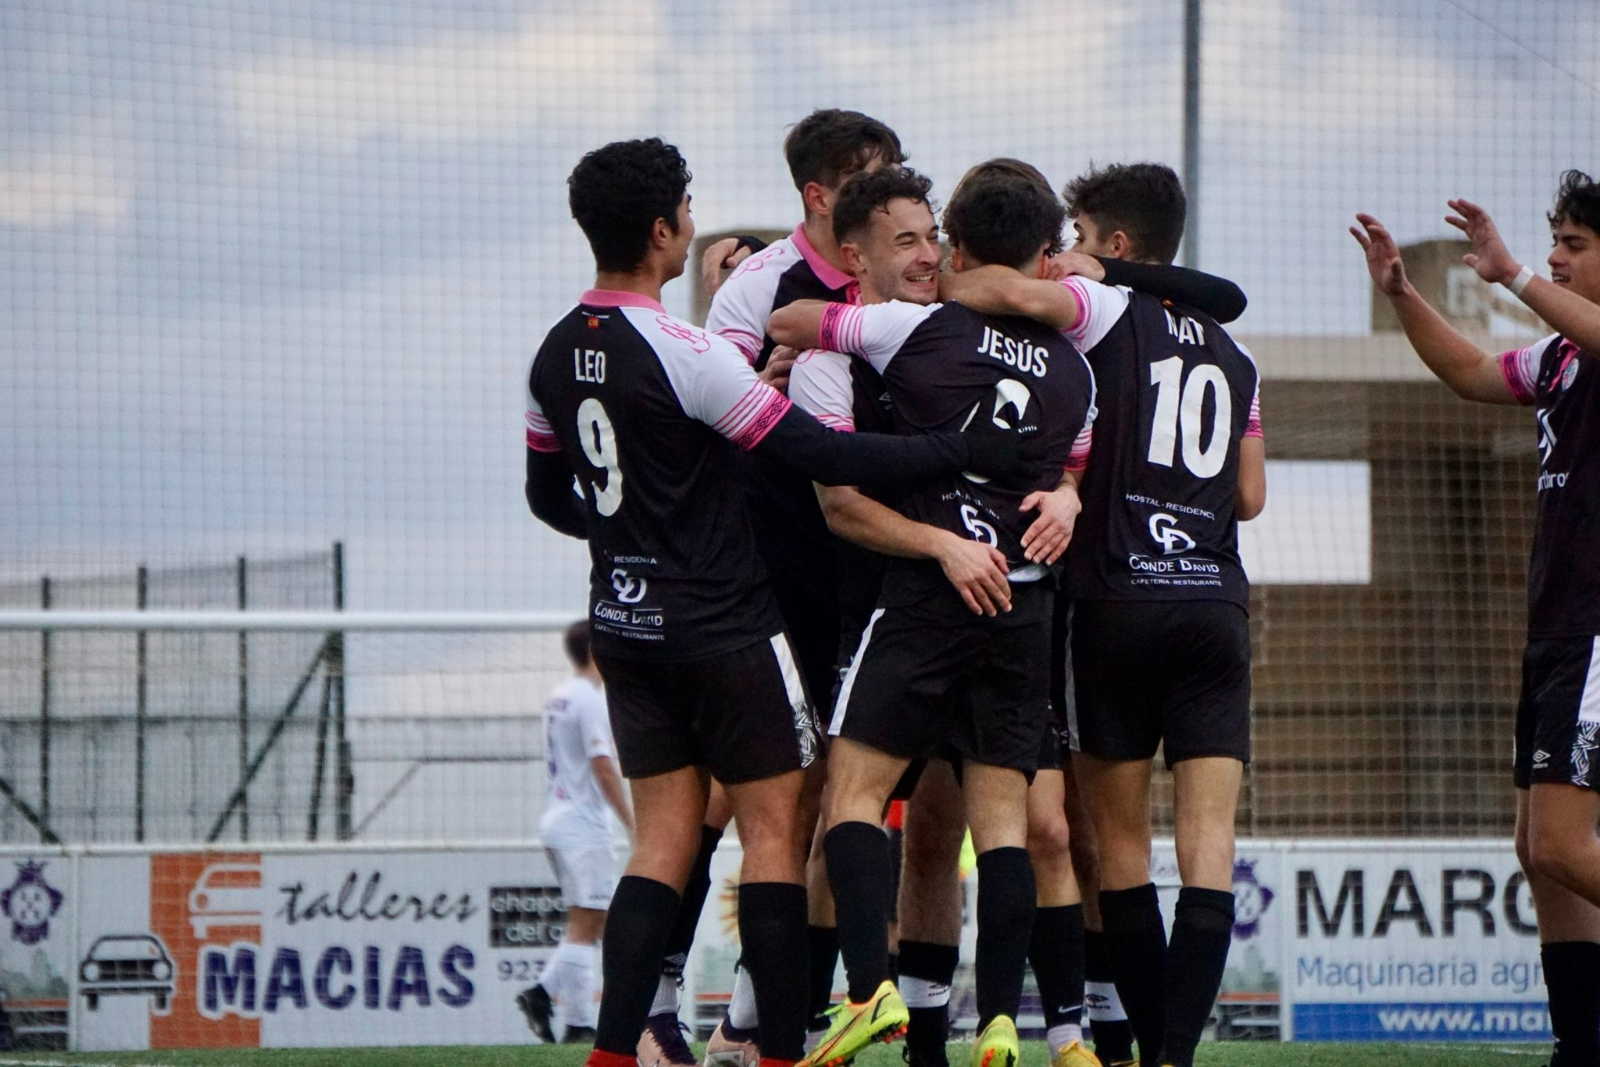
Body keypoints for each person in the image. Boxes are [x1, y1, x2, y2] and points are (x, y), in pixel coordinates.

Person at [524, 137, 1036, 1067]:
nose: (691, 220)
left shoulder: (553, 351)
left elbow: (548, 496)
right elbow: (826, 458)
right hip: (724, 622)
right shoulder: (687, 350)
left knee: (660, 846)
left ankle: (613, 1052)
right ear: (660, 228)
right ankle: (777, 1054)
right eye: (684, 206)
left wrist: (633, 536)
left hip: (626, 622)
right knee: (773, 833)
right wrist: (960, 454)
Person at [768, 163, 1098, 1067]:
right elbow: (1076, 457)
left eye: (932, 241)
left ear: (954, 245)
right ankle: (1001, 1019)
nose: (924, 258)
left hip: (925, 599)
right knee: (1002, 826)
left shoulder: (913, 329)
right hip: (1022, 607)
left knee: (852, 796)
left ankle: (868, 994)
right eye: (904, 242)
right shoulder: (1076, 362)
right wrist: (1066, 495)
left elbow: (797, 321)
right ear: (1040, 252)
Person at [941, 162, 1265, 1067]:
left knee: (1117, 846)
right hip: (1214, 604)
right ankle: (1171, 1057)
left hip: (1116, 599)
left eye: (1077, 236)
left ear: (1116, 246)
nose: (1066, 254)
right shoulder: (1238, 358)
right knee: (1208, 846)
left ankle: (1142, 1041)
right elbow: (1250, 494)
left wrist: (948, 276)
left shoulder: (1105, 308)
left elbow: (990, 288)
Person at [664, 109, 911, 1067]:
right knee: (746, 799)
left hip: (882, 573)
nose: (898, 199)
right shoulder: (761, 285)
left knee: (833, 803)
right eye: (875, 178)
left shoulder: (908, 279)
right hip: (775, 578)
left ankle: (766, 1021)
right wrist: (760, 374)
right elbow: (705, 411)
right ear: (820, 194)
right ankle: (658, 1007)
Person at [1352, 170, 1600, 1067]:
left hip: (1598, 634)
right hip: (1558, 630)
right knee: (1538, 847)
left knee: (1568, 846)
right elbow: (1467, 370)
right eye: (1555, 242)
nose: (1557, 258)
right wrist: (1404, 294)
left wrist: (1510, 276)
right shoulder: (1563, 360)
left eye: (1574, 244)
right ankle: (1581, 1042)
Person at [518, 620, 634, 1044]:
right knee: (588, 924)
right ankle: (580, 1024)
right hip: (583, 825)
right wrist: (631, 823)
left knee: (587, 919)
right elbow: (602, 765)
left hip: (556, 818)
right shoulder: (589, 700)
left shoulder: (559, 697)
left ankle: (541, 993)